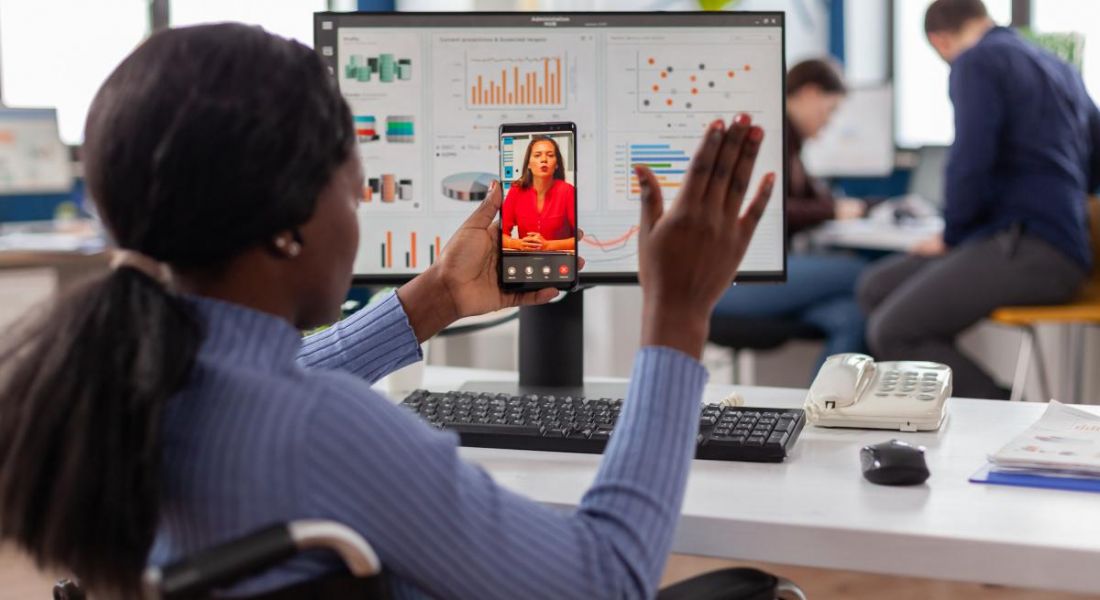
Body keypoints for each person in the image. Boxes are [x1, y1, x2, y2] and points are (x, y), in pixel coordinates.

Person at [0, 24, 775, 599]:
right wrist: (676, 317)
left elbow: (272, 380)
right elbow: (606, 579)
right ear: (289, 222)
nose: (363, 204)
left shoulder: (120, 384)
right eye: (352, 183)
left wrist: (434, 299)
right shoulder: (323, 430)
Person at [858, 0, 1097, 399]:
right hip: (1055, 243)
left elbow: (970, 161)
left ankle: (1007, 414)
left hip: (1034, 248)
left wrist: (951, 234)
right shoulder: (1058, 65)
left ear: (940, 41)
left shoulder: (975, 61)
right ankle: (906, 411)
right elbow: (1094, 162)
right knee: (875, 286)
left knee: (893, 330)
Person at [711, 58, 868, 373]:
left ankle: (822, 415)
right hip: (735, 280)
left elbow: (813, 197)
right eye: (830, 109)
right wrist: (833, 209)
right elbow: (768, 208)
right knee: (866, 276)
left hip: (763, 276)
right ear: (809, 94)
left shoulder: (792, 144)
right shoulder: (768, 135)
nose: (829, 121)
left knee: (853, 316)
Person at [501, 136, 576, 252]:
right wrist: (518, 243)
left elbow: (580, 239)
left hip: (560, 262)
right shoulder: (516, 190)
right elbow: (499, 236)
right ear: (529, 165)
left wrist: (547, 246)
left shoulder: (568, 191)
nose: (544, 159)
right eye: (537, 155)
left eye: (550, 155)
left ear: (557, 164)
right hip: (526, 261)